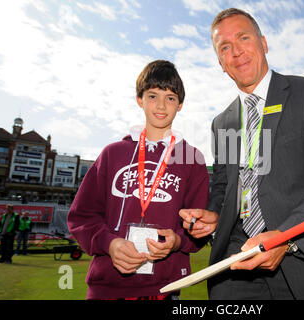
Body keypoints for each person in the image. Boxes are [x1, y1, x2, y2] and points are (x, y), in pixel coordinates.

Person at [180, 8, 304, 299]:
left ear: (263, 43)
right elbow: (224, 186)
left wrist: (287, 236)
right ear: (220, 62)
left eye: (243, 38)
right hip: (235, 259)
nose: (236, 51)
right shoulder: (222, 122)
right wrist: (213, 214)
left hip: (300, 260)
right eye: (225, 47)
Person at [67, 60, 209, 300]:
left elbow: (199, 228)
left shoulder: (192, 159)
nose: (161, 105)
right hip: (107, 286)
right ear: (139, 99)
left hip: (164, 289)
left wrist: (176, 241)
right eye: (153, 96)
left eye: (171, 98)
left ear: (180, 105)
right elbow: (81, 216)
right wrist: (109, 244)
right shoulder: (112, 153)